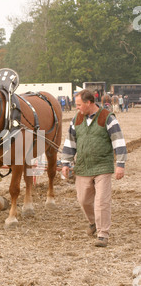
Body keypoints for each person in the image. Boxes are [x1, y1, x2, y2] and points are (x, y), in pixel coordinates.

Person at [61, 89, 127, 247]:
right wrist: (65, 163)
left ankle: (103, 234)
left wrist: (120, 165)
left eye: (78, 104)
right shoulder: (76, 119)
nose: (76, 107)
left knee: (101, 202)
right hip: (83, 166)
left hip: (103, 165)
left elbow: (119, 141)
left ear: (88, 103)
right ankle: (93, 223)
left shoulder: (107, 117)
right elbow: (70, 142)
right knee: (83, 200)